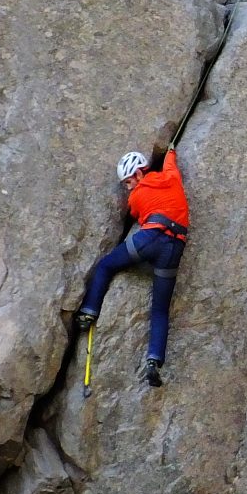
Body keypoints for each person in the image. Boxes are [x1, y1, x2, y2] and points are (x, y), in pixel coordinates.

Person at [75, 148, 189, 387]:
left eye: (128, 181)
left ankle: (88, 313)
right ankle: (154, 361)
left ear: (138, 174)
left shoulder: (135, 198)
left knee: (106, 266)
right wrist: (170, 151)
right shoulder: (171, 177)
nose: (128, 187)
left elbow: (138, 215)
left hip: (149, 239)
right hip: (174, 249)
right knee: (160, 310)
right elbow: (170, 161)